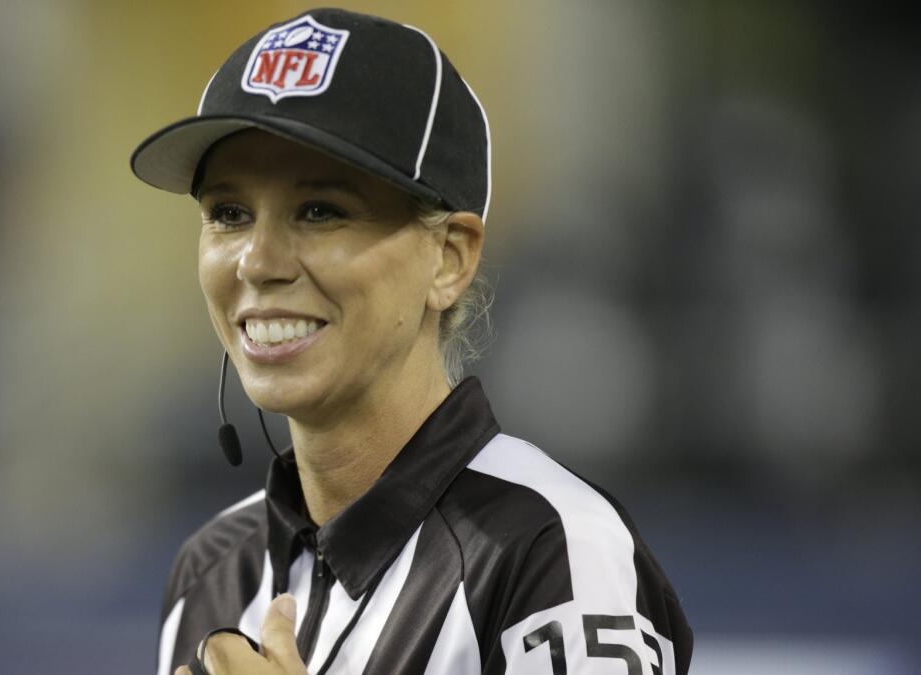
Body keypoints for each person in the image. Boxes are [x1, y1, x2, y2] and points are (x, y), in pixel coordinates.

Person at [131, 8, 692, 675]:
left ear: (449, 259)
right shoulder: (212, 567)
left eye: (321, 210)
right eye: (228, 213)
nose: (257, 260)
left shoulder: (554, 547)